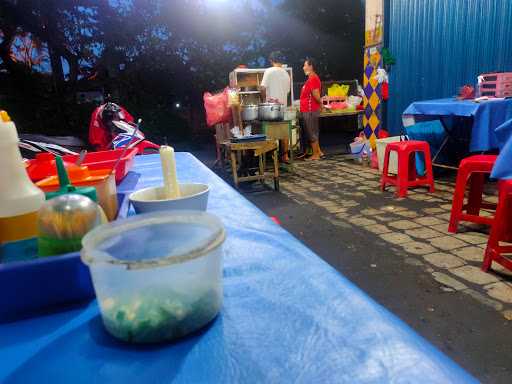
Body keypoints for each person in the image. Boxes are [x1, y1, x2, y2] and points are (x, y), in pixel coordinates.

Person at [260, 51, 291, 162]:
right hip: (283, 107)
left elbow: (262, 88)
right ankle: (285, 156)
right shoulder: (286, 74)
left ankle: (271, 156)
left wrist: (264, 100)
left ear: (271, 60)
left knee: (270, 132)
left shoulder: (268, 71)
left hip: (271, 107)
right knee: (284, 132)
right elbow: (287, 91)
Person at [300, 57, 323, 161]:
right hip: (308, 110)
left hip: (310, 110)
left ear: (311, 66)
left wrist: (321, 105)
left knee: (312, 132)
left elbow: (316, 95)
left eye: (305, 65)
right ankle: (319, 152)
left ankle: (316, 155)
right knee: (313, 131)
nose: (303, 67)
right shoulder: (311, 78)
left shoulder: (313, 78)